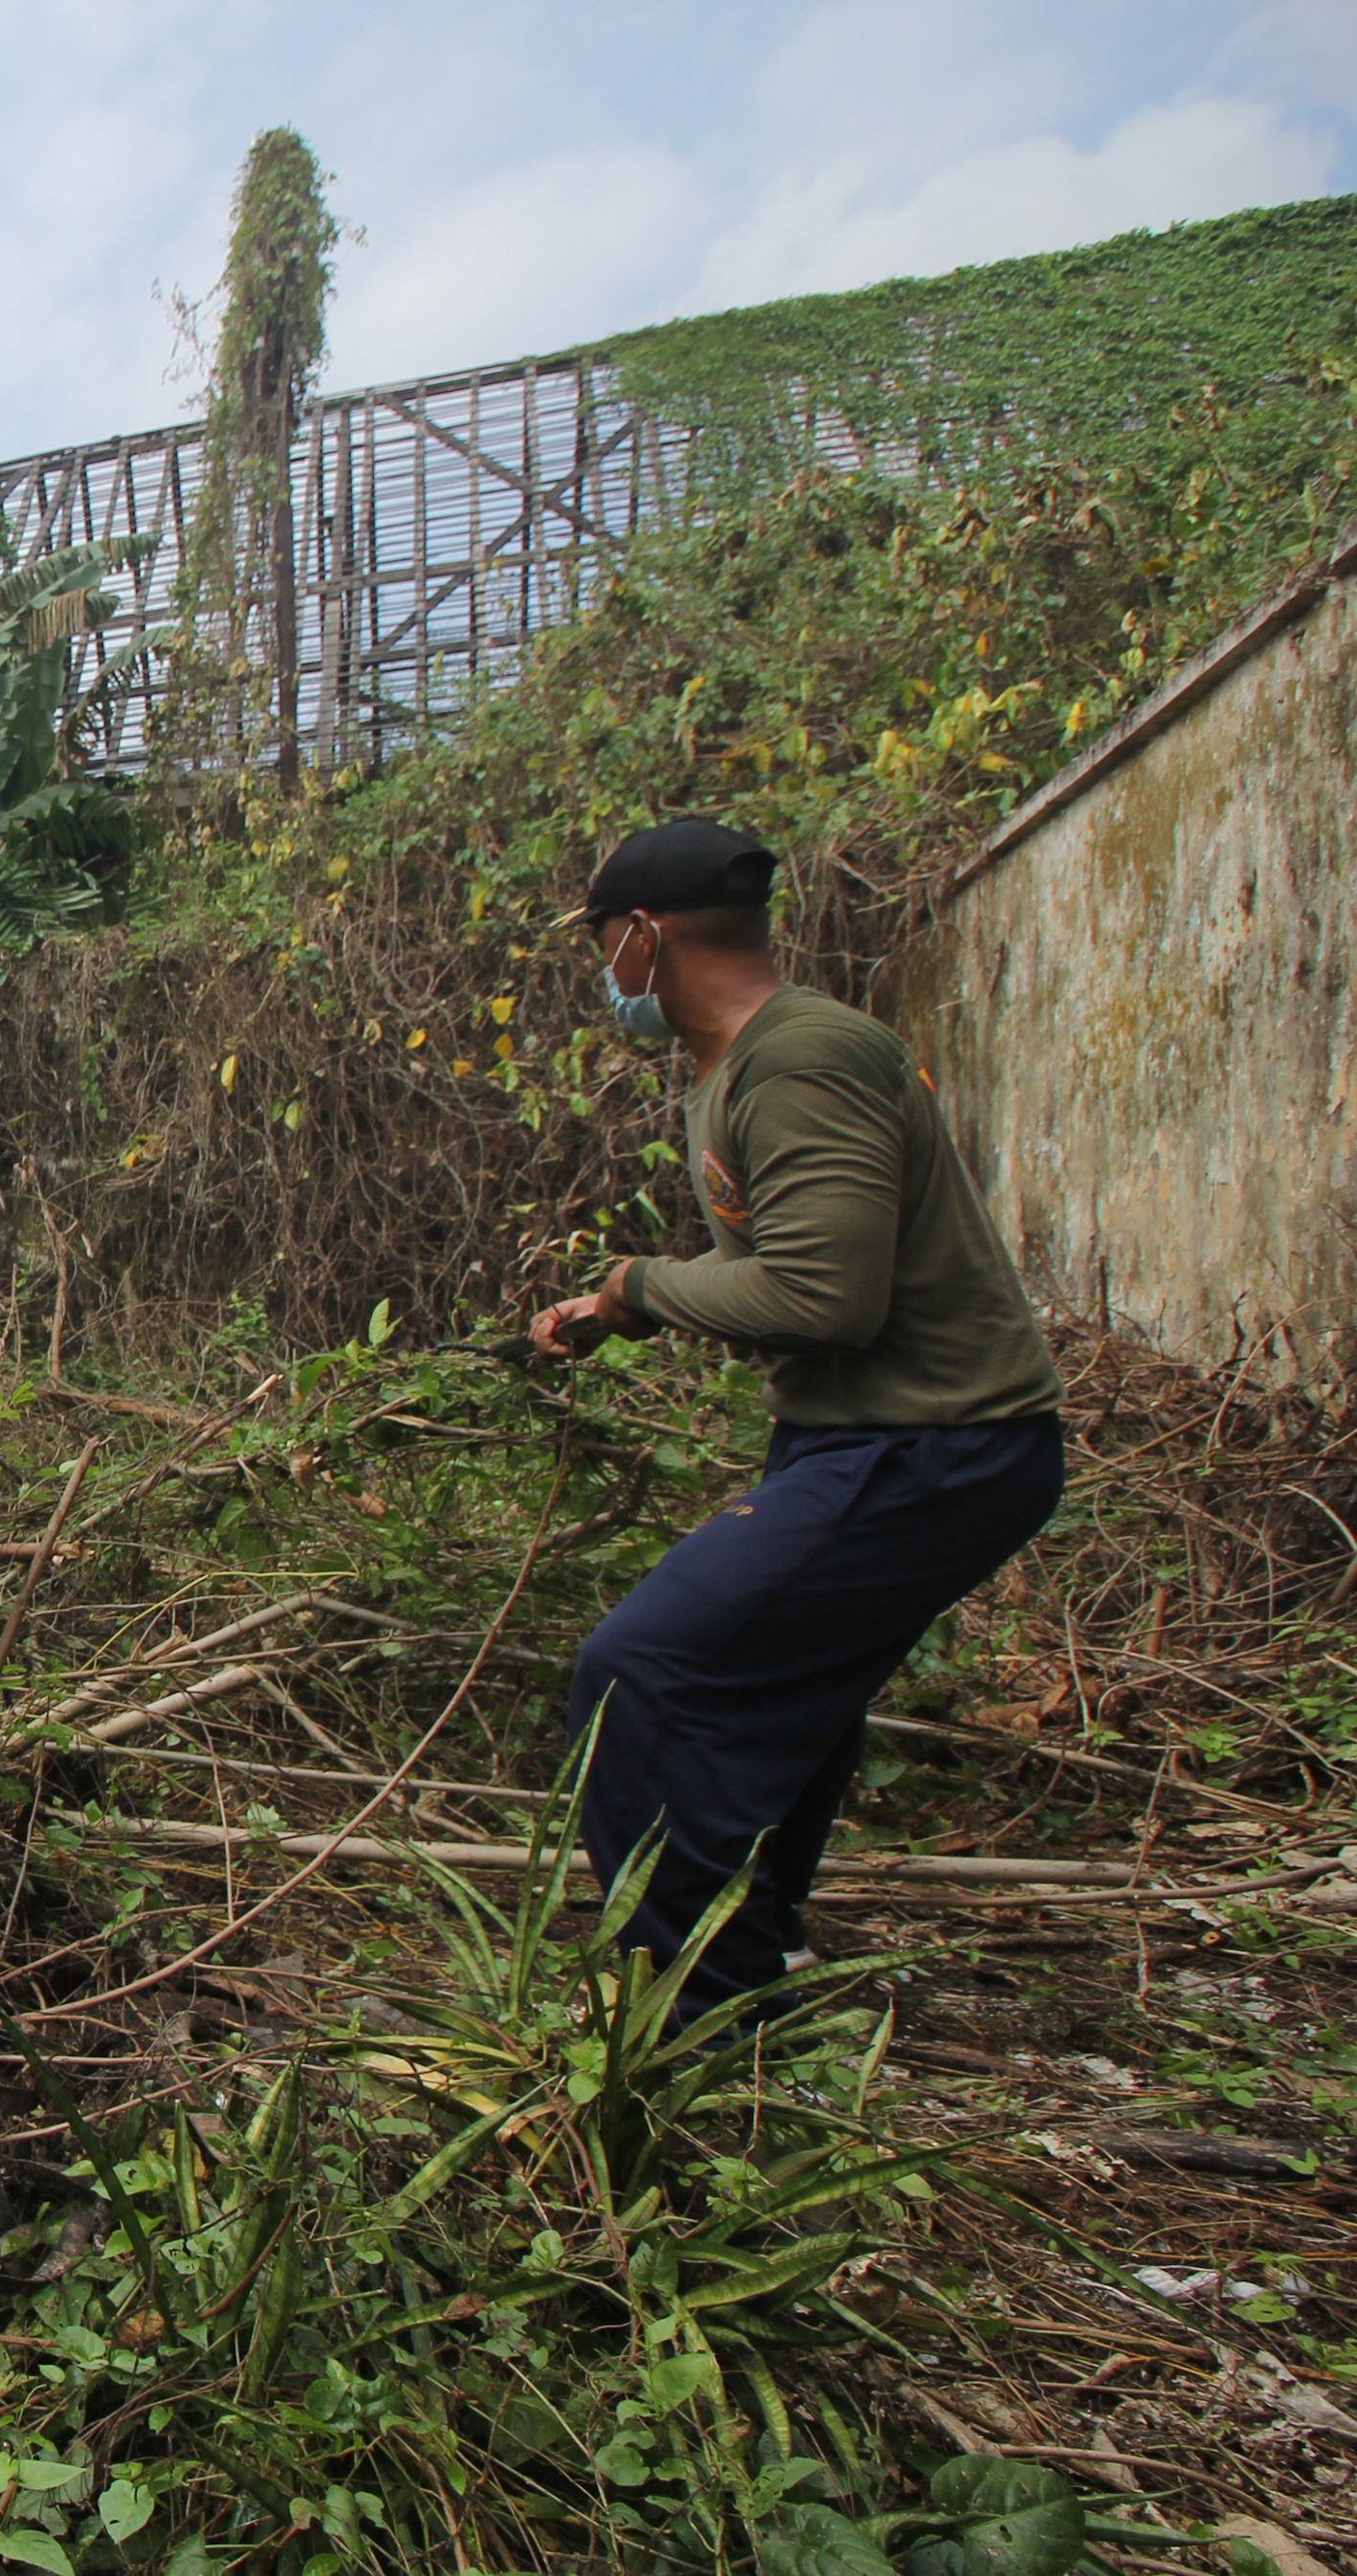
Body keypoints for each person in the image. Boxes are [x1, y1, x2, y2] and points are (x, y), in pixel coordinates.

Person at [528, 817, 1063, 2024]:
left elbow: (826, 1296)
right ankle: (749, 1953)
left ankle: (687, 2001)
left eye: (601, 944)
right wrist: (623, 1312)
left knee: (643, 1673)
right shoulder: (744, 1067)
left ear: (641, 937)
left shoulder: (800, 1062)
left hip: (933, 1444)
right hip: (881, 1439)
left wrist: (638, 1287)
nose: (603, 970)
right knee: (781, 1696)